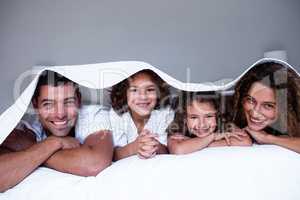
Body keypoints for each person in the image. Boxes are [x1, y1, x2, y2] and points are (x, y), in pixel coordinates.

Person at [0, 70, 113, 192]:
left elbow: (94, 164)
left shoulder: (94, 114)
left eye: (68, 102)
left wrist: (33, 146)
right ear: (35, 104)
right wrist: (55, 143)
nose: (60, 114)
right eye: (48, 104)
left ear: (78, 100)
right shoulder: (24, 127)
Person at [233, 61, 300, 153]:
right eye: (250, 100)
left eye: (268, 105)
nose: (255, 113)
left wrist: (268, 138)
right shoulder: (228, 113)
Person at [110, 69, 174, 160]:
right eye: (134, 90)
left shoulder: (165, 113)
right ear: (125, 93)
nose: (143, 96)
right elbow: (114, 156)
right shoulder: (116, 115)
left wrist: (153, 145)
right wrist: (135, 147)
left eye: (150, 89)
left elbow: (168, 151)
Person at [167, 92, 252, 155]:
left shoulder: (225, 124)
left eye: (209, 116)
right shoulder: (178, 129)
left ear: (218, 115)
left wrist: (193, 143)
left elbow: (245, 141)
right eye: (194, 117)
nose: (202, 124)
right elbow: (178, 150)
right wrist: (213, 137)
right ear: (184, 118)